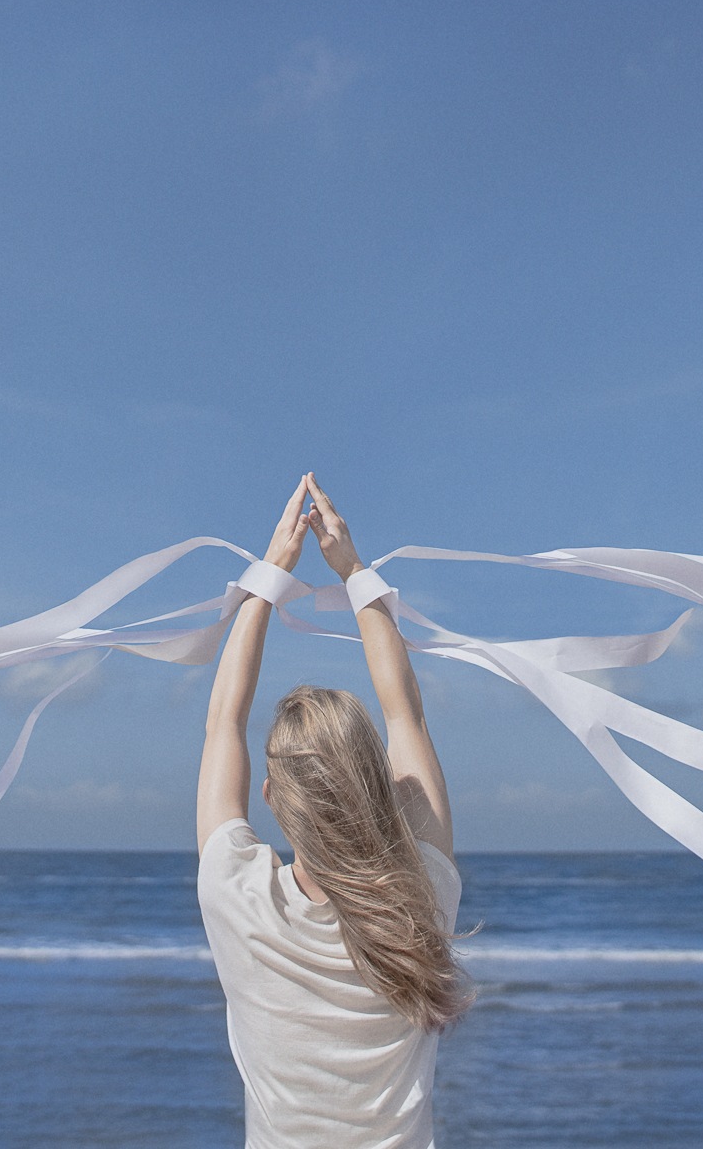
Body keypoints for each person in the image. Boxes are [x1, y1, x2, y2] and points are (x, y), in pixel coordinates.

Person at [197, 473, 469, 1149]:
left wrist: (270, 576)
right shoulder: (419, 900)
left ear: (270, 797)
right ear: (379, 784)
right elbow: (407, 714)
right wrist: (352, 570)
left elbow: (223, 722)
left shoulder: (239, 897)